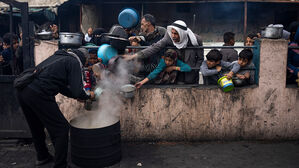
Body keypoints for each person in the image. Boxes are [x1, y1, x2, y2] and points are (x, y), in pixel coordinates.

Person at [16, 48, 95, 168]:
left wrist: (76, 96)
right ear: (83, 60)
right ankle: (60, 165)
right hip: (38, 92)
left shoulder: (59, 57)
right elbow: (77, 90)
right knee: (61, 129)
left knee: (36, 127)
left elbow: (61, 86)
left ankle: (42, 157)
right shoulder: (74, 62)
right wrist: (88, 95)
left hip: (23, 90)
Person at [124, 20, 204, 84]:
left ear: (182, 33)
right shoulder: (169, 38)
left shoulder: (196, 40)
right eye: (172, 33)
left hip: (190, 68)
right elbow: (154, 47)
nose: (173, 36)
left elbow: (200, 58)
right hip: (176, 70)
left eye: (176, 34)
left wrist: (195, 70)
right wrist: (135, 56)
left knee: (191, 83)